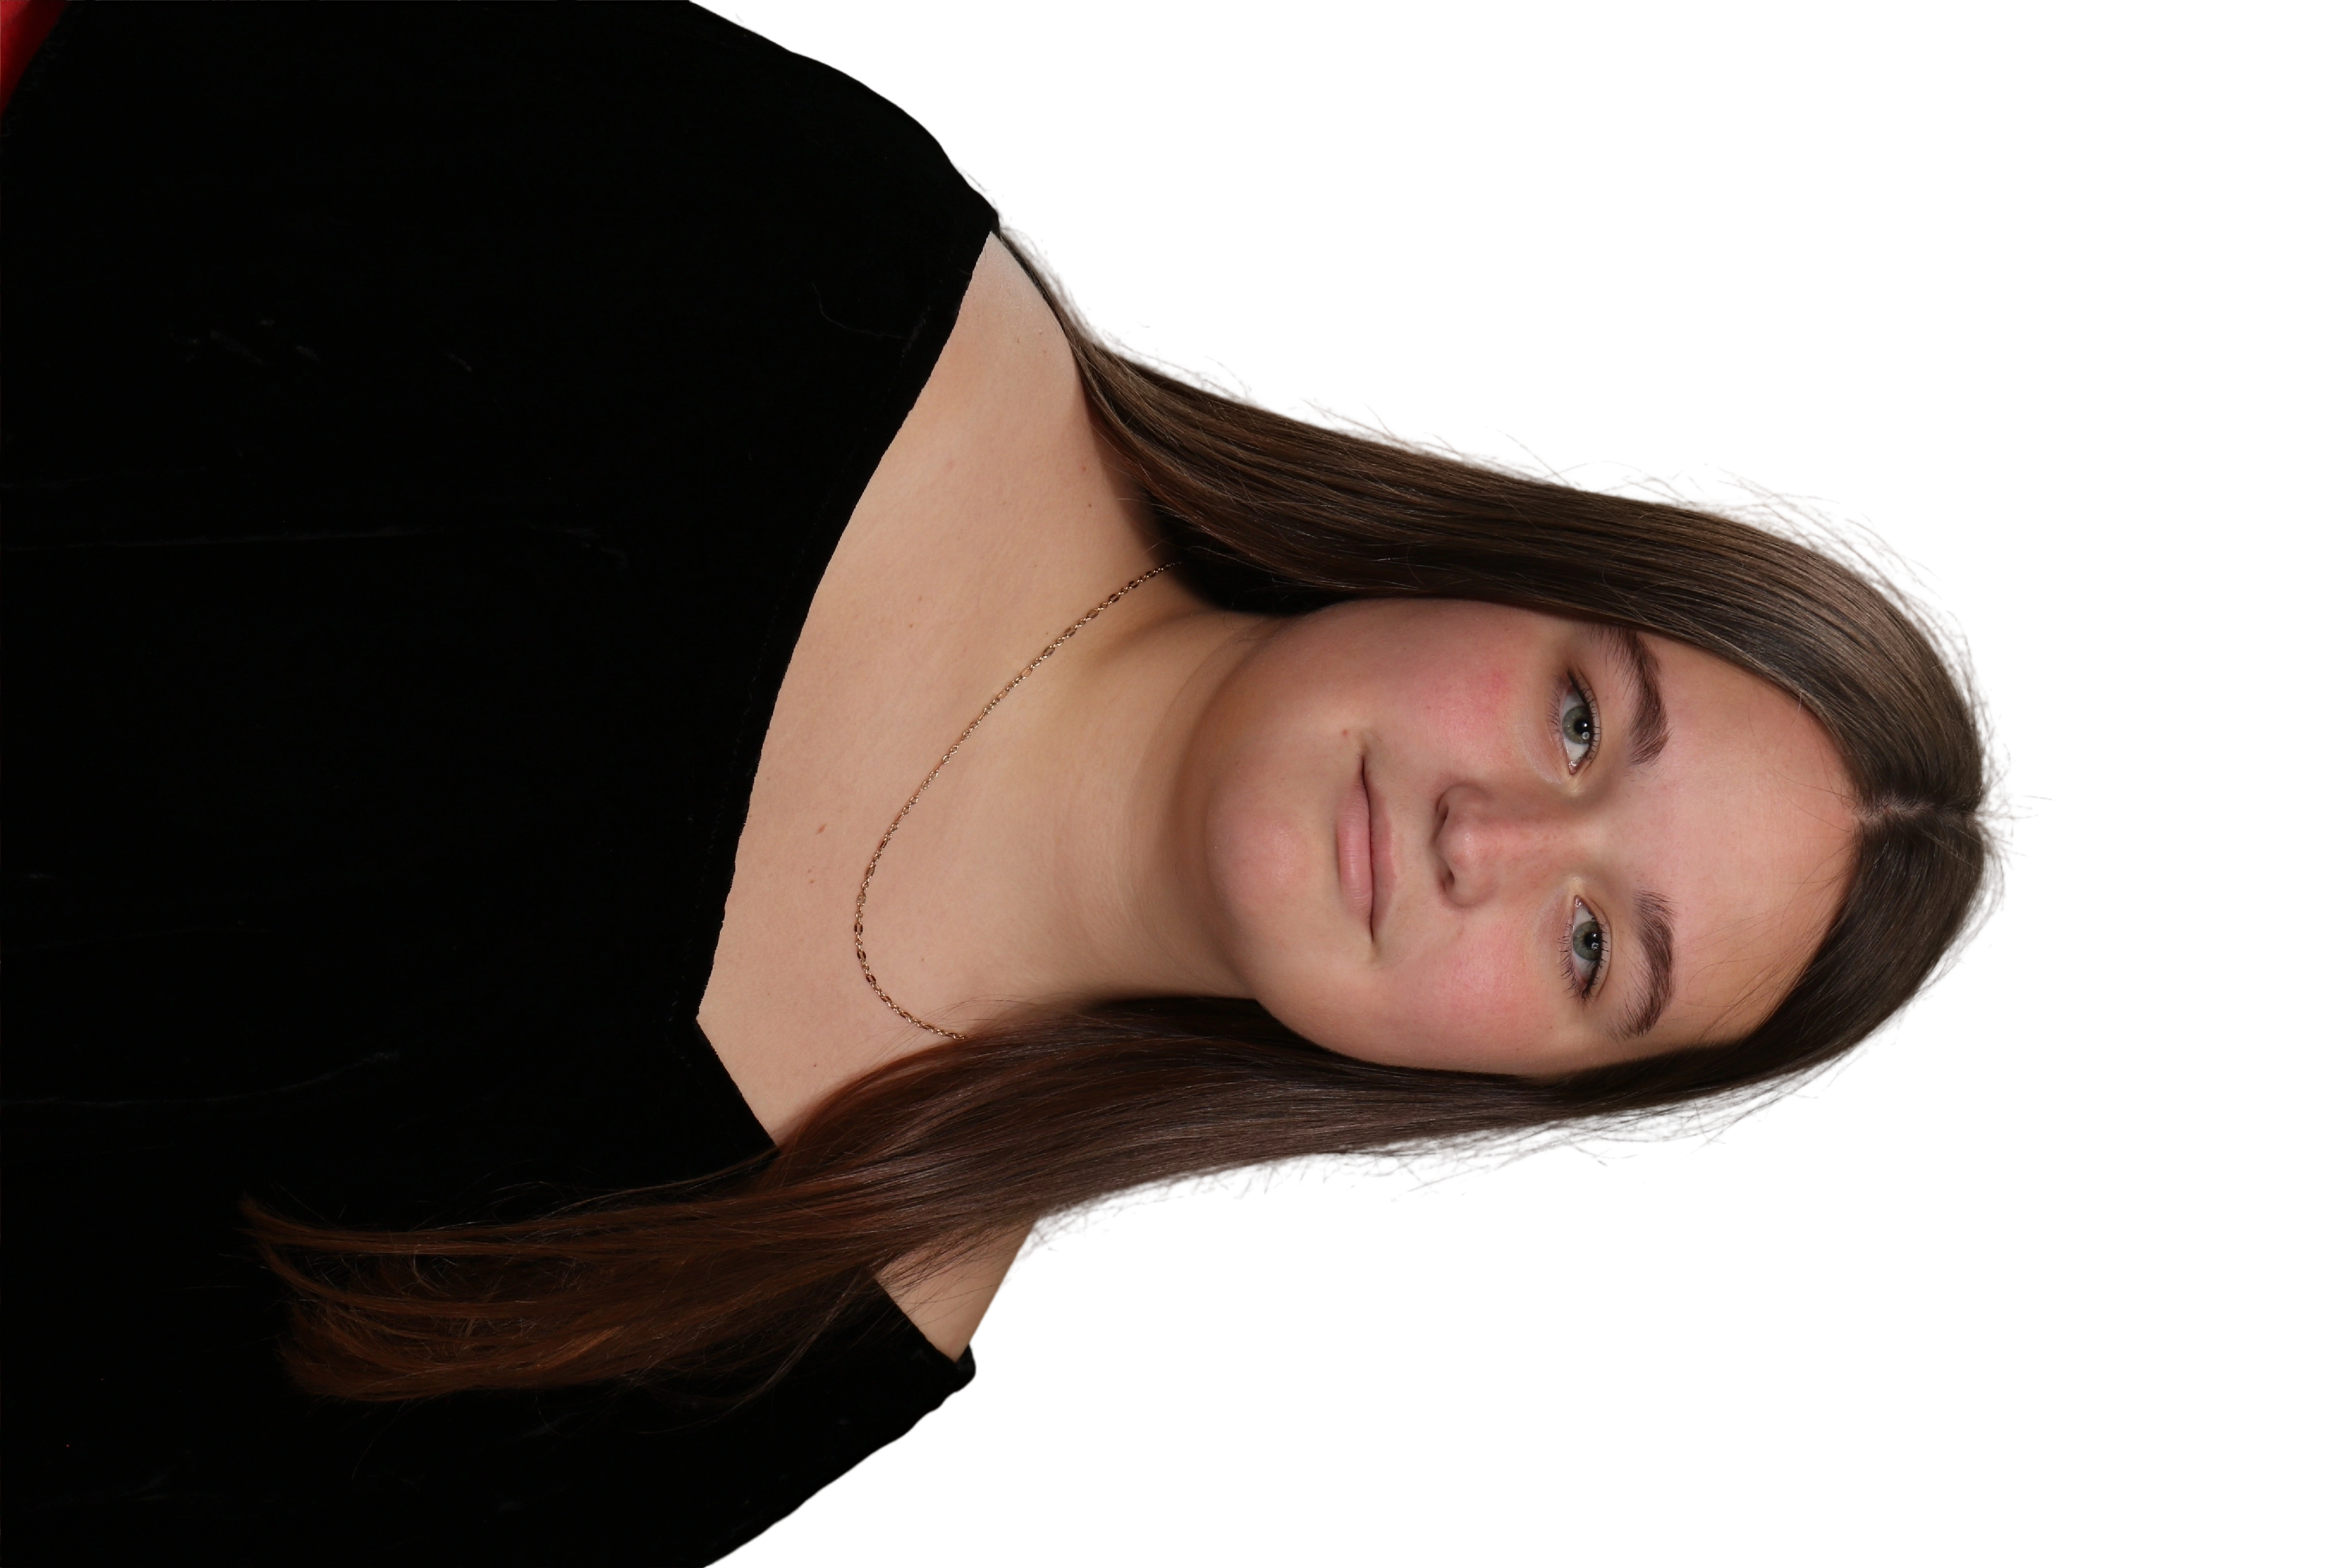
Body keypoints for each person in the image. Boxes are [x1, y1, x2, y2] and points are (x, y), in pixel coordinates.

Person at [0, 3, 2024, 1565]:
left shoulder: (803, 1341)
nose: (1482, 841)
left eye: (1594, 949)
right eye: (1581, 723)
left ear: (1508, 1090)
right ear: (1513, 566)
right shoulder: (806, 242)